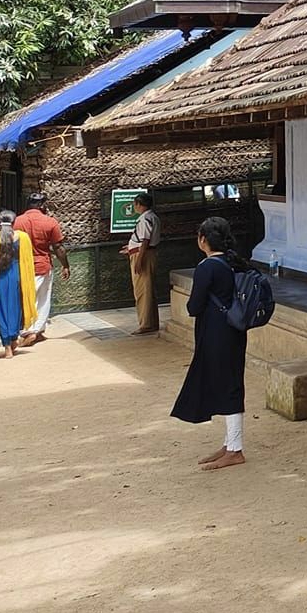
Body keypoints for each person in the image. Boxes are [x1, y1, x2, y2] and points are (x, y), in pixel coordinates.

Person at [171, 216, 250, 469]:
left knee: (228, 385)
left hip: (216, 332)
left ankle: (235, 449)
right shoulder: (234, 262)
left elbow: (194, 306)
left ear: (202, 240)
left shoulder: (207, 267)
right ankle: (230, 443)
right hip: (234, 330)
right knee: (230, 380)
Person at [0, 212, 35, 358]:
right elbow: (27, 261)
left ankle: (7, 345)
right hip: (17, 277)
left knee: (1, 311)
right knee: (15, 309)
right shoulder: (22, 238)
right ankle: (14, 339)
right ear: (14, 222)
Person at [11, 193, 66, 345]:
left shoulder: (17, 221)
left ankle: (32, 330)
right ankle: (35, 330)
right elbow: (58, 247)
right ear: (42, 205)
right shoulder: (50, 222)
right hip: (43, 265)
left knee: (27, 297)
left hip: (22, 266)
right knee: (43, 298)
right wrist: (65, 265)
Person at [123, 193, 163, 335]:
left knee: (142, 290)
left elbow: (145, 240)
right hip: (145, 253)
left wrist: (139, 260)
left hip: (144, 255)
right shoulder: (153, 217)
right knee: (148, 289)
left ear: (139, 204)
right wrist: (130, 248)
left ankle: (146, 324)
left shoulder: (145, 219)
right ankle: (151, 322)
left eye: (135, 204)